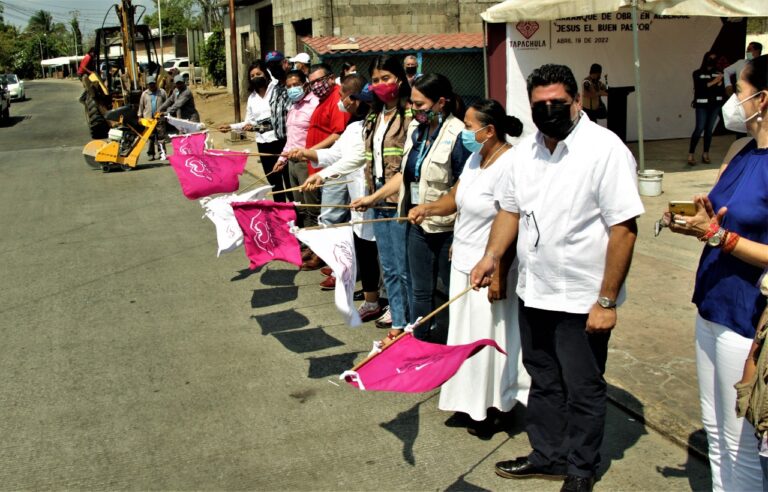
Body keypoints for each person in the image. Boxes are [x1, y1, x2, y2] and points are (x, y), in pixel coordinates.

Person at [471, 64, 643, 492]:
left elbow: (624, 228)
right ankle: (548, 454)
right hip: (535, 291)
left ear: (576, 102)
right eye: (539, 106)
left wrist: (606, 302)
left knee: (582, 388)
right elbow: (509, 210)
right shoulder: (525, 153)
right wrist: (492, 255)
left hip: (582, 299)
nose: (548, 112)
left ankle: (581, 469)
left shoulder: (605, 150)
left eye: (557, 104)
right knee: (543, 380)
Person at [666, 54, 768, 492]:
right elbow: (723, 220)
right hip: (712, 302)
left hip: (748, 316)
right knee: (714, 426)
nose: (733, 101)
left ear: (762, 100)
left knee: (739, 436)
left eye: (739, 92)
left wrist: (717, 237)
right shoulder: (742, 150)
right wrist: (701, 221)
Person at [408, 99, 531, 436]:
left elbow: (514, 219)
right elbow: (456, 197)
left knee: (489, 339)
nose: (464, 132)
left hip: (490, 269)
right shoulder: (478, 157)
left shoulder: (512, 164)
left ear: (489, 130)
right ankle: (468, 402)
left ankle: (495, 407)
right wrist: (429, 208)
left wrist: (499, 271)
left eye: (468, 125)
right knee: (464, 338)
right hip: (463, 263)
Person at [399, 73, 470, 341]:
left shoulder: (459, 135)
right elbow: (407, 175)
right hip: (418, 223)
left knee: (453, 291)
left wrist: (460, 232)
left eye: (419, 105)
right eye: (411, 103)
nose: (413, 110)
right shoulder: (416, 132)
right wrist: (372, 198)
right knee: (420, 290)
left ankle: (456, 343)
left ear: (440, 103)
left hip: (448, 228)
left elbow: (465, 186)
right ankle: (420, 341)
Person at [349, 55, 413, 329]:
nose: (381, 84)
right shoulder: (374, 116)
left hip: (401, 201)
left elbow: (409, 167)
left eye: (386, 78)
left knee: (404, 268)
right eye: (375, 80)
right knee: (388, 268)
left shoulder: (411, 113)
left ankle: (409, 323)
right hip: (378, 201)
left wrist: (374, 197)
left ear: (399, 78)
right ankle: (398, 321)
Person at [296, 76, 375, 291]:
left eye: (342, 97)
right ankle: (368, 291)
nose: (340, 101)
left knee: (374, 250)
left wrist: (322, 175)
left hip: (370, 194)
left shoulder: (371, 125)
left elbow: (355, 158)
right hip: (357, 194)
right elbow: (335, 155)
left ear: (355, 99)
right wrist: (306, 153)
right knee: (361, 242)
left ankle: (377, 296)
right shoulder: (354, 126)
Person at [288, 63, 351, 270]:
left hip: (328, 166)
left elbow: (337, 134)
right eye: (312, 82)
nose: (316, 86)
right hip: (315, 163)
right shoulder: (321, 100)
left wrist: (311, 151)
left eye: (319, 81)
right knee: (311, 209)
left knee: (326, 214)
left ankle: (325, 256)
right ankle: (316, 248)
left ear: (331, 79)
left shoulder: (336, 99)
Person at [276, 70, 320, 227]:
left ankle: (314, 243)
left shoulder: (315, 104)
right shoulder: (293, 107)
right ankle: (304, 238)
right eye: (289, 86)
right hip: (292, 163)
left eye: (296, 85)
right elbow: (291, 139)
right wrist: (282, 159)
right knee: (298, 205)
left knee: (312, 206)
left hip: (306, 162)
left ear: (305, 84)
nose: (292, 89)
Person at [688, 51, 725, 166]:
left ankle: (705, 153)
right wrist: (715, 82)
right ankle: (691, 154)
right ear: (705, 59)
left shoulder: (719, 73)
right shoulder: (697, 73)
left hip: (715, 105)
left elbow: (720, 90)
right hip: (702, 105)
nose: (712, 61)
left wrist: (718, 84)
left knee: (709, 131)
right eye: (710, 58)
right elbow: (700, 88)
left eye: (714, 59)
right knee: (699, 128)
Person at [265, 51, 292, 196]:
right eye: (271, 67)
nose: (274, 69)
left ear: (285, 63)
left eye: (277, 65)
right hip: (277, 143)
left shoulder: (295, 86)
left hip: (293, 143)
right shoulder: (275, 89)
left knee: (293, 187)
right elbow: (275, 118)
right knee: (280, 186)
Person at [137, 75, 167, 161]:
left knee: (161, 137)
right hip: (148, 120)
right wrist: (139, 116)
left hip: (160, 119)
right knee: (150, 137)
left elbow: (167, 103)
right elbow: (141, 106)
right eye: (150, 84)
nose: (152, 86)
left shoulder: (162, 92)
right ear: (147, 85)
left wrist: (166, 114)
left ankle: (162, 153)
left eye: (153, 84)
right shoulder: (144, 94)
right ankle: (151, 154)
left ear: (156, 83)